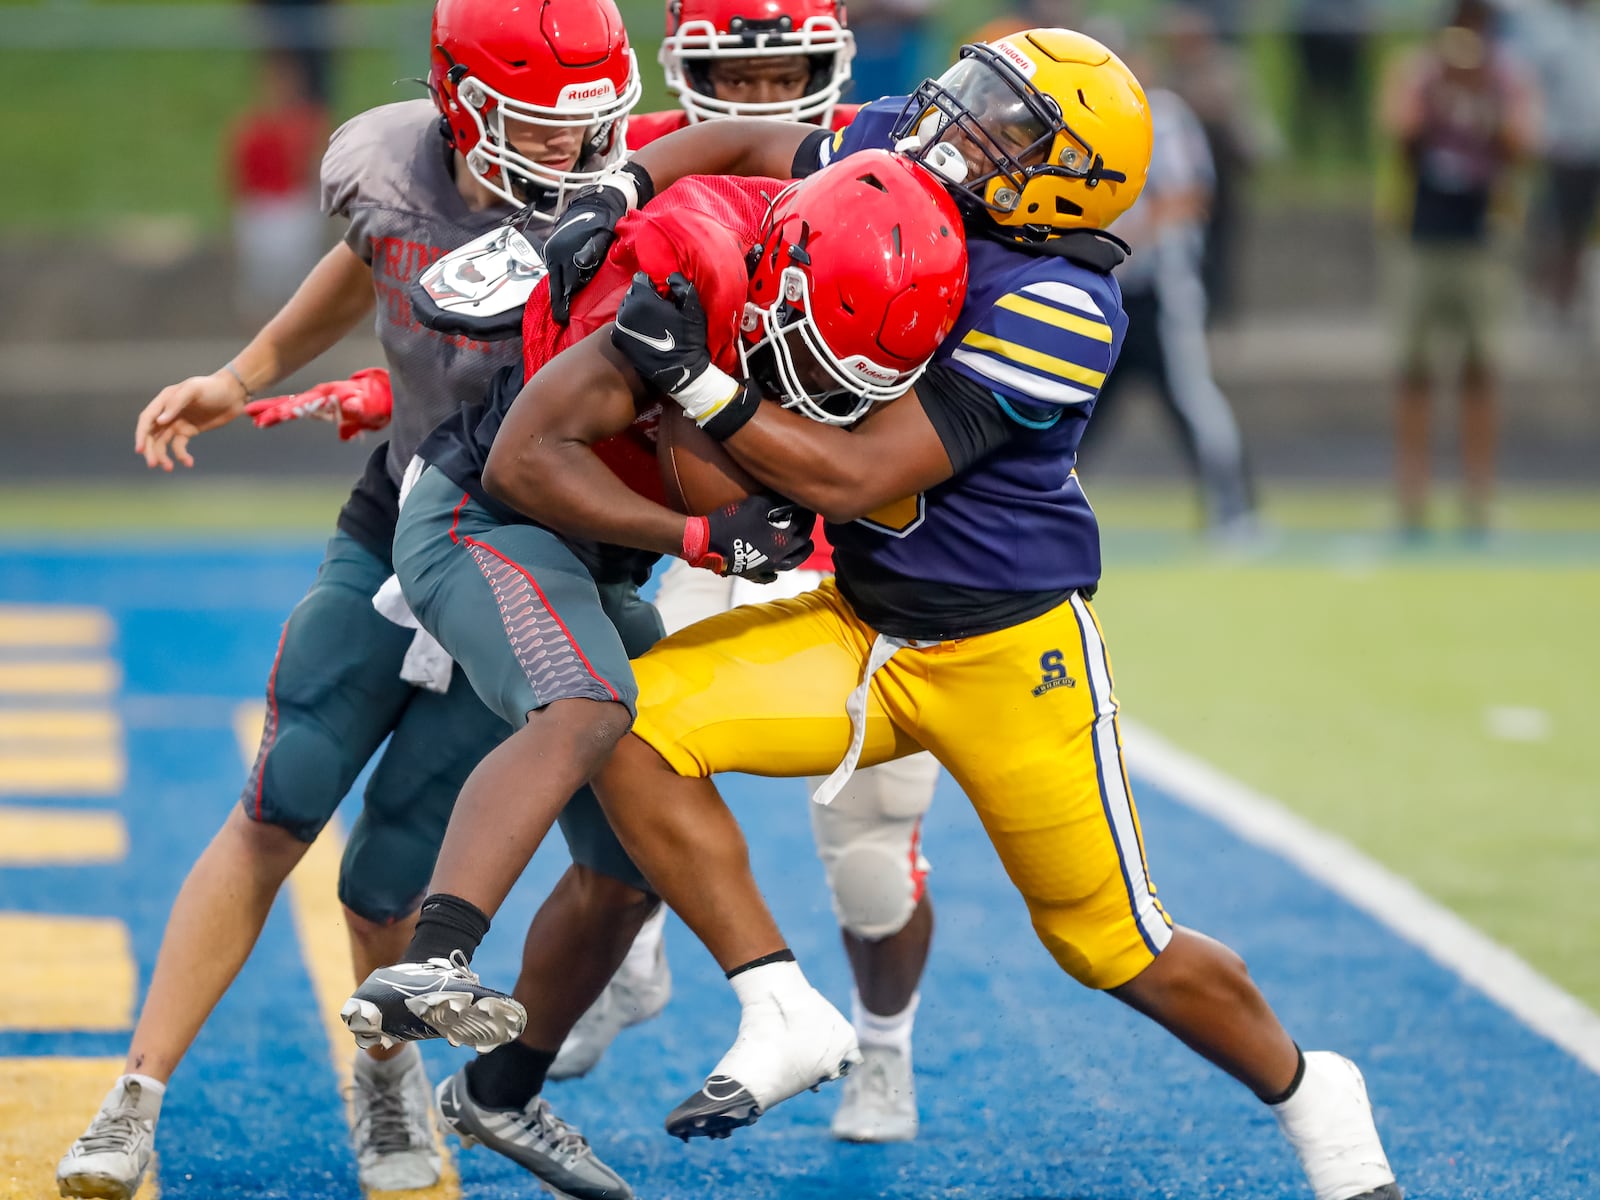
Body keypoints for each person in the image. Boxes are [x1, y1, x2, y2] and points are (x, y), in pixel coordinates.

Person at [541, 29, 1403, 1200]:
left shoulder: (1059, 303)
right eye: (978, 102)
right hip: (857, 620)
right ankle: (778, 1001)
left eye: (1007, 128)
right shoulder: (920, 152)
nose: (957, 129)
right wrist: (624, 184)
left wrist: (694, 380)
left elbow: (857, 478)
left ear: (1064, 179)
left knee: (1112, 946)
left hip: (1005, 652)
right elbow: (749, 136)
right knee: (620, 724)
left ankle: (1315, 1096)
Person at [54, 1, 642, 1197]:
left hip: (527, 558)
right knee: (279, 803)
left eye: (590, 129)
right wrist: (243, 373)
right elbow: (368, 261)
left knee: (393, 875)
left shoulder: (634, 205)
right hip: (397, 530)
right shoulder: (393, 170)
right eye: (543, 127)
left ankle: (382, 1069)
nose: (576, 157)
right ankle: (134, 1097)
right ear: (461, 106)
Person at [337, 149, 967, 1199]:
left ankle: (500, 1088)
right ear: (784, 288)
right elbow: (520, 462)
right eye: (816, 352)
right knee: (589, 703)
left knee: (634, 857)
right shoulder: (687, 289)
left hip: (600, 562)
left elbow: (783, 149)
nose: (828, 393)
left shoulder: (884, 261)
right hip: (484, 517)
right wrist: (699, 530)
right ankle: (435, 958)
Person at [1079, 32, 1258, 539]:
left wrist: (1120, 243)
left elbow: (1185, 197)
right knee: (1074, 402)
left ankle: (1234, 508)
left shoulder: (1162, 115)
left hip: (1161, 290)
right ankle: (1039, 509)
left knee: (1192, 397)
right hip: (1106, 291)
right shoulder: (1091, 121)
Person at [1380, 0, 1537, 536]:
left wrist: (1483, 95)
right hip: (1422, 238)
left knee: (1480, 370)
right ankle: (1412, 494)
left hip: (1482, 241)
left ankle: (1479, 495)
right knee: (1414, 370)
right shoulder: (1418, 72)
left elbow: (1525, 143)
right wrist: (1440, 88)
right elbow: (1398, 128)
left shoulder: (1505, 79)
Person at [1509, 0, 1600, 328]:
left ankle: (1567, 300)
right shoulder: (1542, 30)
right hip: (1559, 145)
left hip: (1590, 145)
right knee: (1553, 226)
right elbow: (1526, 84)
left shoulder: (1590, 29)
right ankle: (1545, 298)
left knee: (1578, 228)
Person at [226, 49, 330, 324]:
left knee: (299, 283)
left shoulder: (307, 122)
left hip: (295, 206)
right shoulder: (252, 126)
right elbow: (240, 176)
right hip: (263, 208)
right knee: (261, 285)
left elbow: (315, 168)